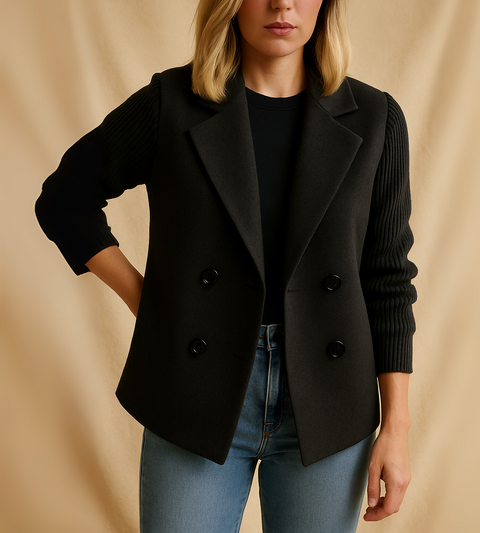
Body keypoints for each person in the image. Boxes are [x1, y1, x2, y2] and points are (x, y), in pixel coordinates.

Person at [35, 0, 417, 531]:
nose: (283, 4)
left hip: (330, 398)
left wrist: (396, 426)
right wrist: (148, 302)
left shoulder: (376, 119)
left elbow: (388, 278)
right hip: (195, 390)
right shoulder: (171, 103)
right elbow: (64, 199)